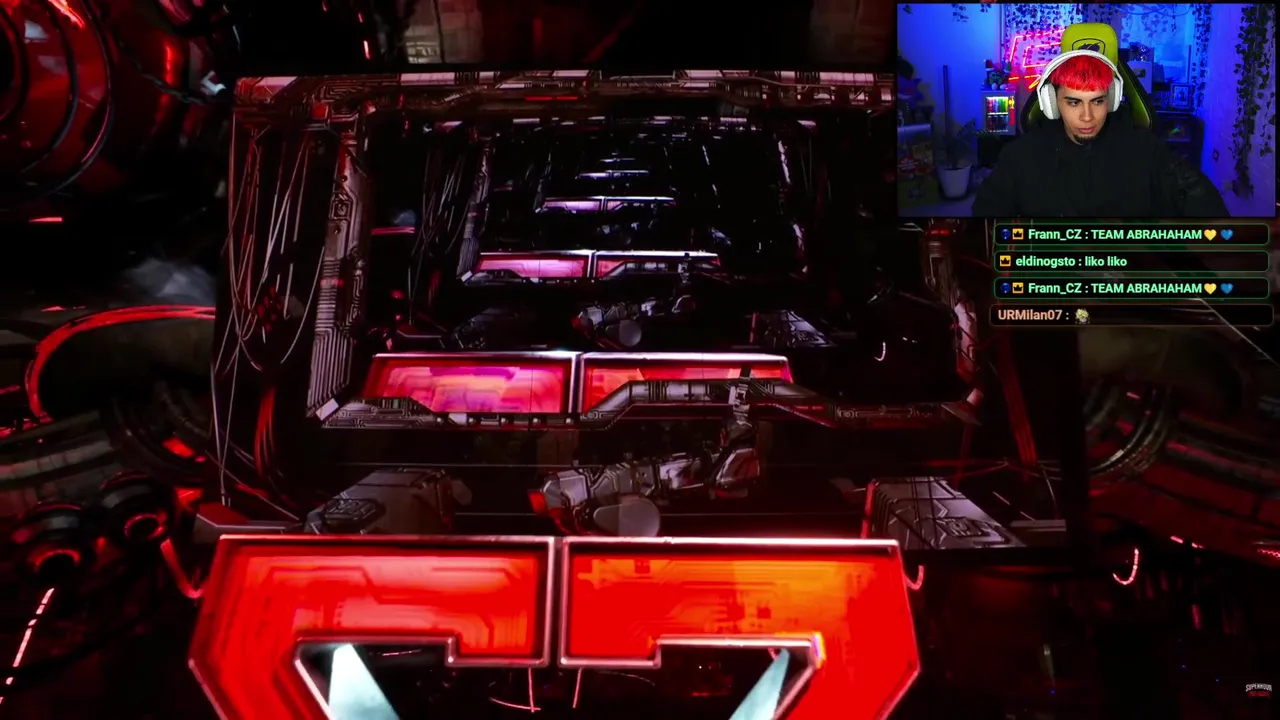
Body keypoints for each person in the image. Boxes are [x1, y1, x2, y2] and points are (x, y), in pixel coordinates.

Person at [972, 52, 1228, 217]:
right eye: (1074, 102)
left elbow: (1193, 192)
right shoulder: (1019, 157)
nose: (1087, 116)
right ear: (1052, 103)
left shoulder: (1145, 150)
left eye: (1097, 101)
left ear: (1112, 100)